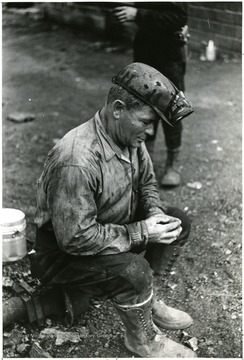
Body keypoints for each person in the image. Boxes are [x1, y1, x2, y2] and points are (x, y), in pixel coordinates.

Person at [30, 62, 196, 358]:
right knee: (133, 270)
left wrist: (155, 214)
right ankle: (141, 340)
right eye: (146, 121)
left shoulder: (128, 136)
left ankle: (147, 297)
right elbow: (74, 238)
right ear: (118, 108)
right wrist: (142, 232)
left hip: (107, 230)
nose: (150, 130)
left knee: (177, 222)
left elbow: (147, 183)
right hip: (62, 255)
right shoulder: (77, 159)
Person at [113, 2, 189, 187]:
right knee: (143, 108)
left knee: (171, 109)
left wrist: (138, 14)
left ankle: (172, 165)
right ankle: (146, 163)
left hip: (168, 55)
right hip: (145, 52)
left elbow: (178, 17)